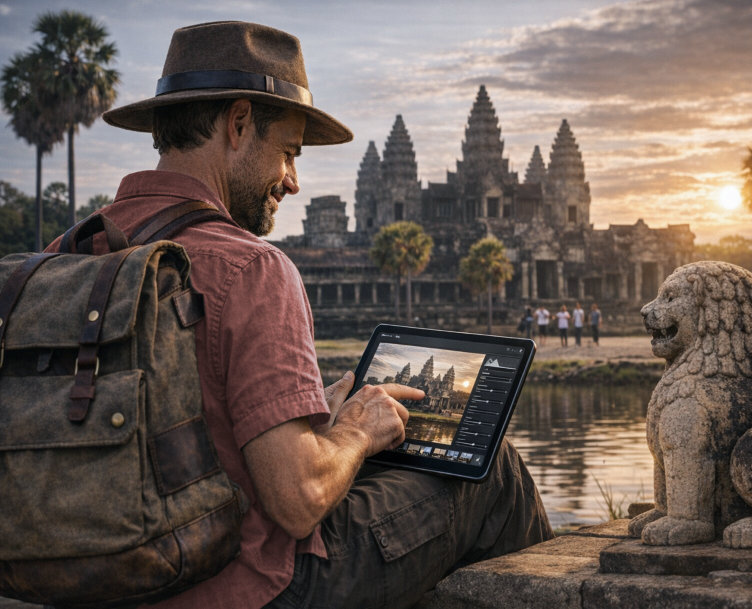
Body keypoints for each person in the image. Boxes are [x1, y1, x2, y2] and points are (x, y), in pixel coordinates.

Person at [54, 22, 550, 609]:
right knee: (488, 465)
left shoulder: (67, 256)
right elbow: (298, 502)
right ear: (239, 124)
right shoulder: (250, 267)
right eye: (288, 152)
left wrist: (318, 418)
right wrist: (356, 430)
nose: (292, 181)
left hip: (103, 581)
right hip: (253, 587)